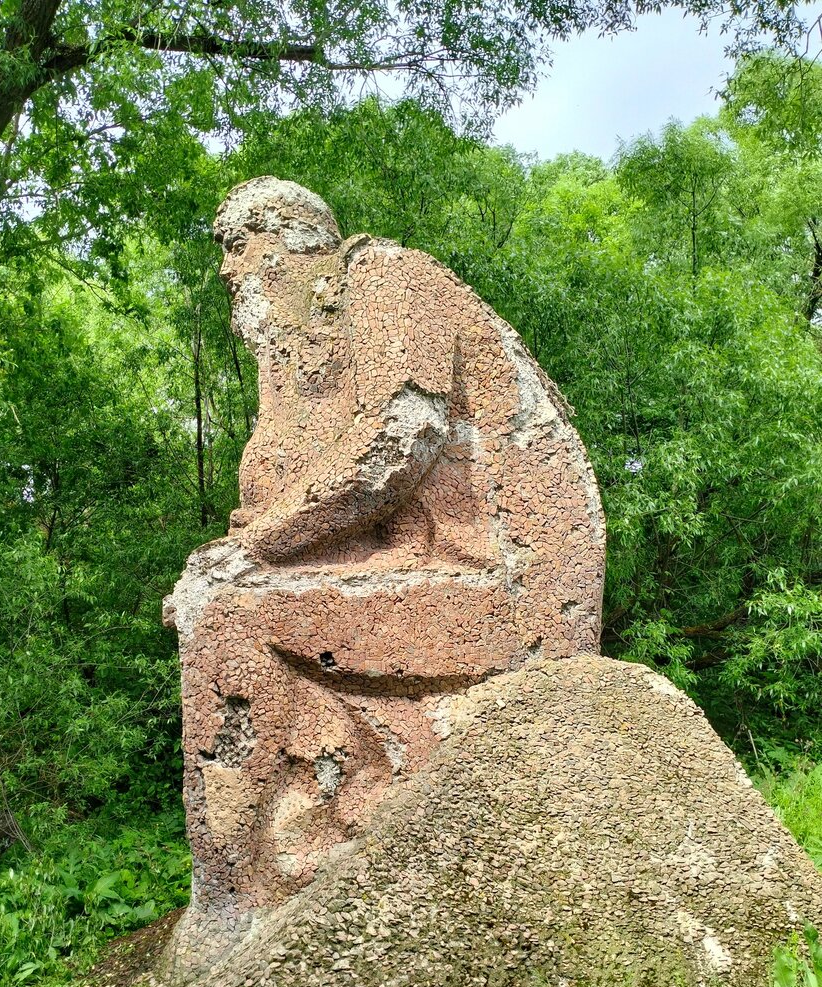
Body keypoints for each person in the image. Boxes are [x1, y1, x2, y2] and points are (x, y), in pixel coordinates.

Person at [163, 176, 605, 943]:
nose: (228, 273)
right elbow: (278, 492)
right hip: (434, 570)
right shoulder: (312, 356)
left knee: (230, 621)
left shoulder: (390, 280)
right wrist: (238, 547)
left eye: (238, 247)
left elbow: (398, 442)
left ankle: (230, 912)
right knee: (217, 598)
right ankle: (308, 832)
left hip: (516, 589)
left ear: (297, 240)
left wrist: (255, 551)